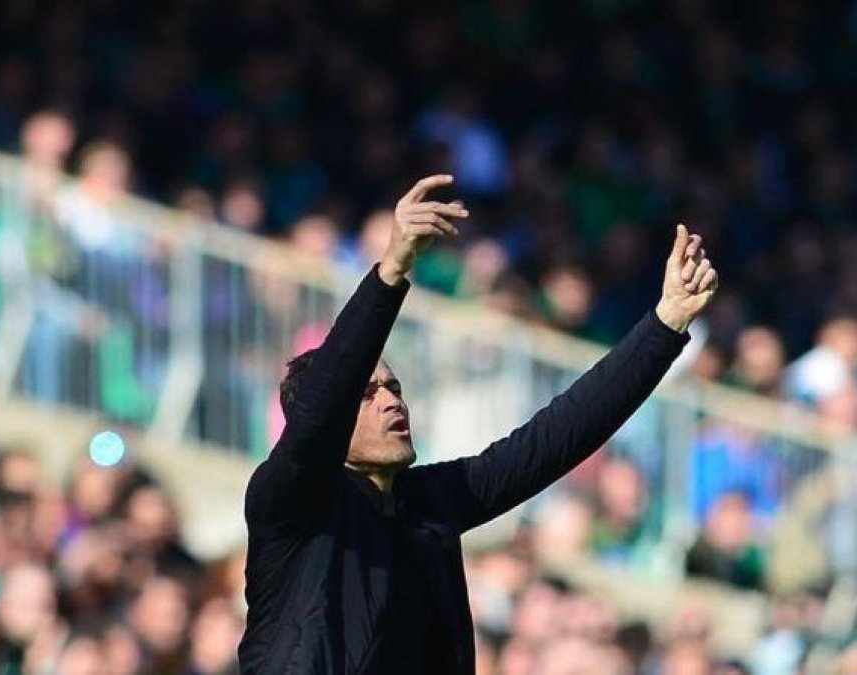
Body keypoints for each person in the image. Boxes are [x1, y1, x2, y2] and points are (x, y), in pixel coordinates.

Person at [239, 174, 719, 673]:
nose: (390, 402)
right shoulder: (290, 501)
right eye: (366, 392)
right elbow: (324, 404)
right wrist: (392, 270)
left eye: (395, 388)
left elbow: (558, 434)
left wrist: (665, 325)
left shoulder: (430, 504)